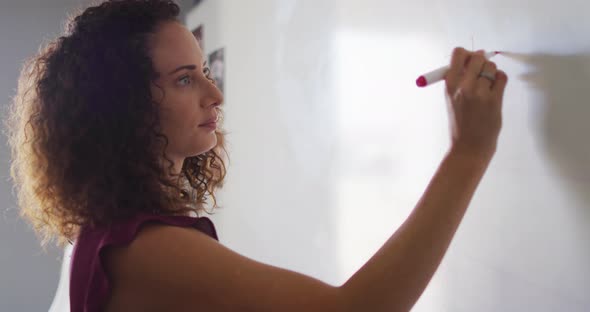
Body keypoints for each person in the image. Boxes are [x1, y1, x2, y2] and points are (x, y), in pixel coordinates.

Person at [4, 0, 508, 311]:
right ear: (123, 107)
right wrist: (469, 153)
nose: (214, 95)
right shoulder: (144, 250)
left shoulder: (106, 232)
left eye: (205, 71)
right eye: (185, 79)